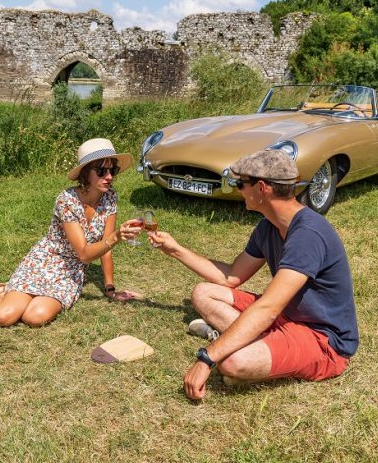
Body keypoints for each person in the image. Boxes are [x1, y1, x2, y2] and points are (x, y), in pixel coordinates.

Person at [149, 149, 359, 400]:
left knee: (232, 363)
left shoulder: (307, 234)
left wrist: (207, 357)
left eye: (241, 183)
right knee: (203, 292)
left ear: (262, 188)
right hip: (285, 316)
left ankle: (239, 342)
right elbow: (231, 277)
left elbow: (267, 308)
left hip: (322, 339)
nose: (238, 189)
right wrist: (177, 250)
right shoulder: (268, 226)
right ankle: (249, 339)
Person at [0, 138, 143, 327]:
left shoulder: (110, 198)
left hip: (69, 272)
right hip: (45, 260)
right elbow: (84, 253)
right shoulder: (67, 200)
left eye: (112, 171)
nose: (108, 177)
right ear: (85, 172)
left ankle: (5, 289)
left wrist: (109, 288)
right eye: (101, 171)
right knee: (4, 316)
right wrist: (116, 237)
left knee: (35, 317)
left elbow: (104, 248)